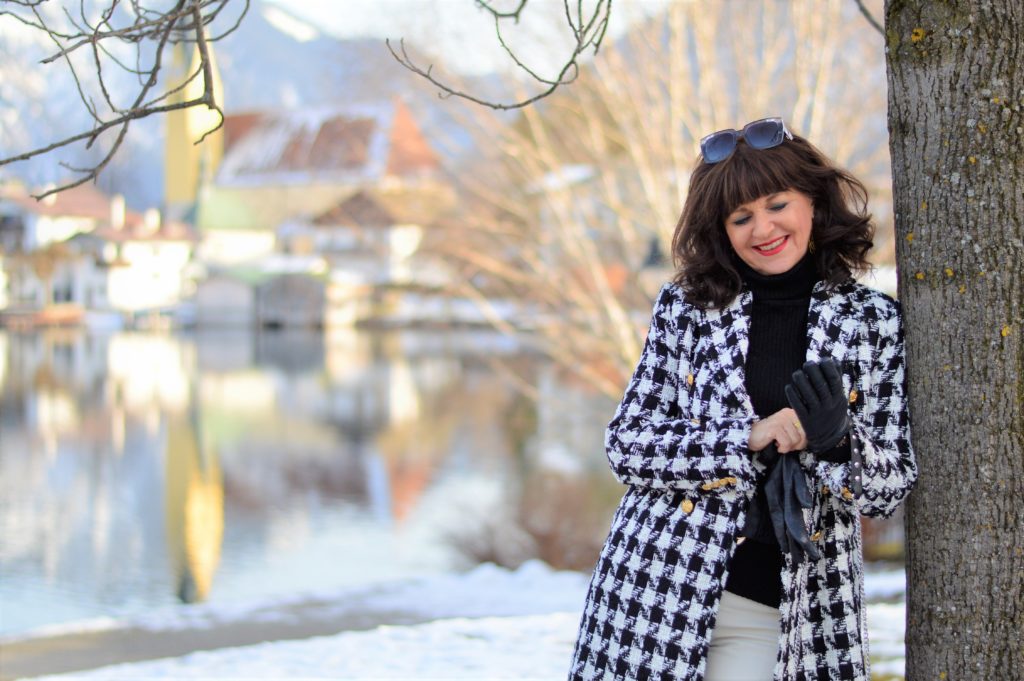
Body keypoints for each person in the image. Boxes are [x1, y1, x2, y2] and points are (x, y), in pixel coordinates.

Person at [568, 117, 917, 681]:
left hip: (788, 610)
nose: (763, 229)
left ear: (813, 202)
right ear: (722, 229)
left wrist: (837, 442)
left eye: (777, 205)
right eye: (741, 217)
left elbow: (891, 487)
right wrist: (748, 436)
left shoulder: (873, 321)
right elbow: (627, 444)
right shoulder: (688, 306)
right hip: (656, 590)